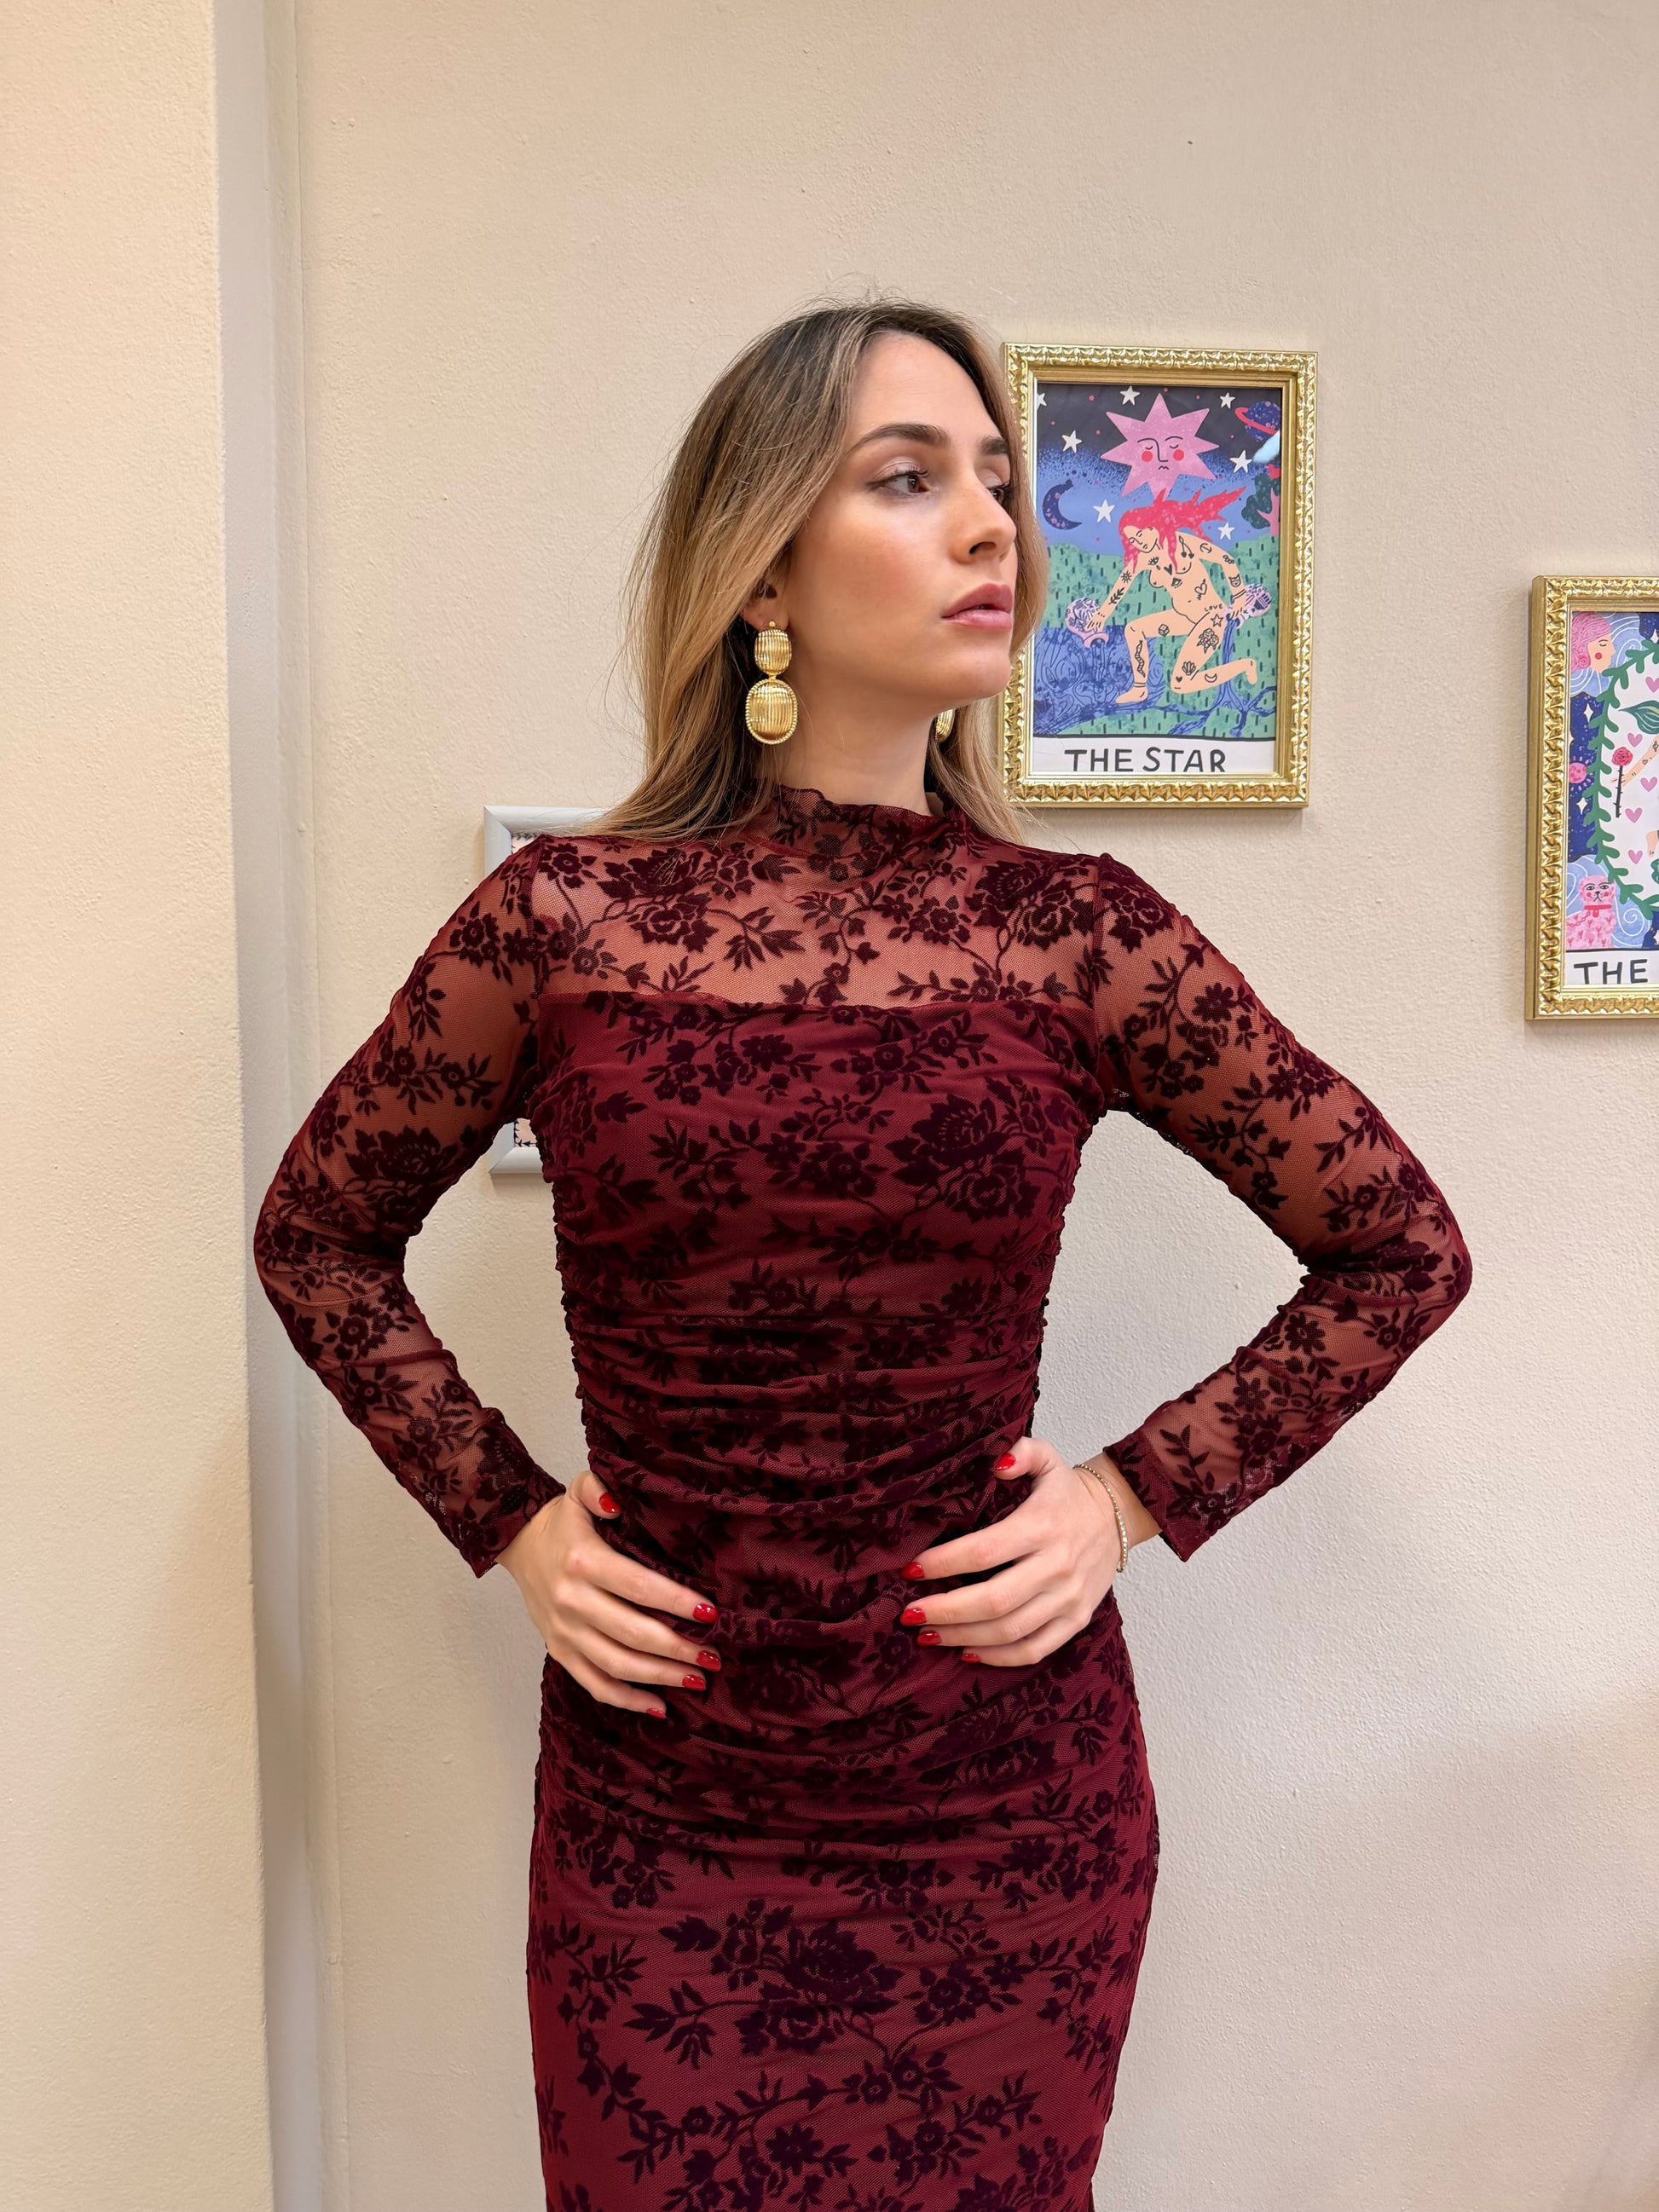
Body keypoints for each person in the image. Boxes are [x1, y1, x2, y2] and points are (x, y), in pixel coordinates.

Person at [252, 299, 1473, 2210]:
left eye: (996, 480)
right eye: (909, 479)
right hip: (664, 1809)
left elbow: (1398, 1246)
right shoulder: (560, 922)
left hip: (1004, 1806)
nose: (994, 525)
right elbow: (317, 1234)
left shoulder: (1079, 933)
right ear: (762, 570)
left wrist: (1126, 1500)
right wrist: (516, 1524)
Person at [1074, 485, 1263, 704]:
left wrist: (1239, 597)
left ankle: (1244, 665)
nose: (1139, 542)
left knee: (1181, 683)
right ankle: (1140, 689)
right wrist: (1102, 615)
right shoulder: (1143, 558)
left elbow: (1226, 560)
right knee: (1134, 629)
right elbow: (1121, 586)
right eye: (1133, 540)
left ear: (1152, 527)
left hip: (1212, 618)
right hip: (1183, 617)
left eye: (1140, 534)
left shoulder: (1182, 543)